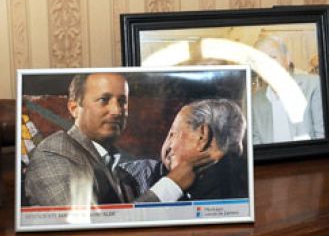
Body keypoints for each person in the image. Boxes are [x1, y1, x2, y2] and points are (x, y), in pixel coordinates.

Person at [23, 72, 202, 206]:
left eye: (122, 101)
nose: (117, 111)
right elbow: (84, 228)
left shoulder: (120, 171)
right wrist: (171, 185)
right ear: (74, 108)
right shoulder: (54, 152)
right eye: (104, 100)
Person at [252, 35, 325, 144]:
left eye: (273, 57)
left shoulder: (313, 85)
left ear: (288, 58)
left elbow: (322, 136)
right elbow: (255, 139)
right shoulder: (255, 99)